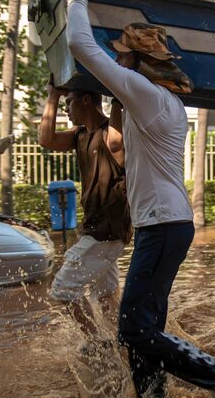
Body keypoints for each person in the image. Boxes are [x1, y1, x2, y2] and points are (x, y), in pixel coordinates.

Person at [65, 0, 215, 396]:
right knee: (145, 329)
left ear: (136, 63)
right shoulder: (156, 102)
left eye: (122, 57)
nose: (115, 63)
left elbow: (81, 46)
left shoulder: (147, 96)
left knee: (132, 328)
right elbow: (116, 138)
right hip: (165, 224)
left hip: (164, 225)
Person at [39, 81, 132, 344]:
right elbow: (46, 139)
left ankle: (97, 343)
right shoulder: (81, 135)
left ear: (87, 101)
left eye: (69, 102)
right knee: (106, 296)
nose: (66, 109)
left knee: (62, 290)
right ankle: (121, 343)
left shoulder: (110, 132)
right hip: (97, 228)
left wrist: (116, 95)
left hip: (107, 229)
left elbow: (117, 143)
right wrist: (53, 97)